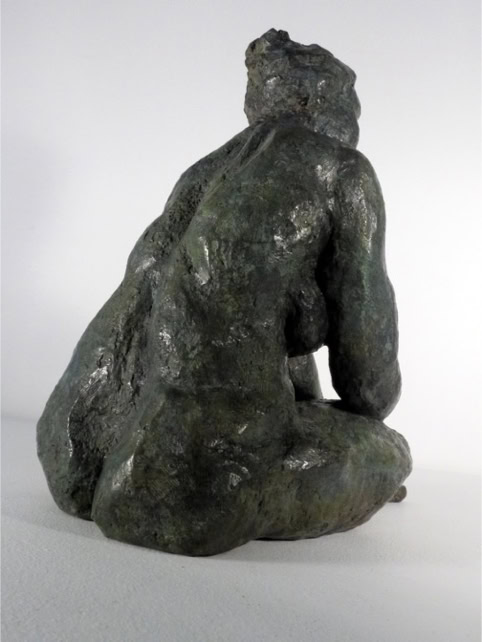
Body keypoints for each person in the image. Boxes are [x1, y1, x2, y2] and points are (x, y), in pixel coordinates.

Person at [38, 29, 411, 556]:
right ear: (317, 101)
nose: (355, 121)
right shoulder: (341, 171)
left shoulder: (206, 174)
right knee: (391, 452)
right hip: (193, 485)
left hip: (72, 457)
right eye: (352, 104)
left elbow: (227, 311)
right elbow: (370, 384)